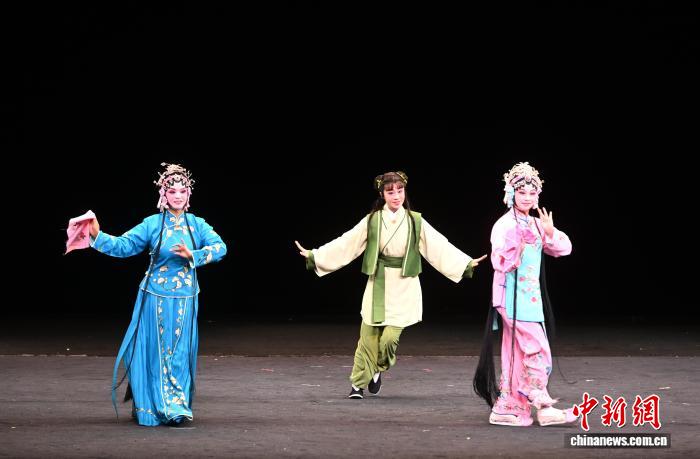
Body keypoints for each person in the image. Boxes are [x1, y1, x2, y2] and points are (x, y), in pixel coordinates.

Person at [295, 171, 486, 399]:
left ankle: (377, 368)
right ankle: (357, 385)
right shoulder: (373, 220)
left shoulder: (415, 220)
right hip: (378, 280)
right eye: (390, 192)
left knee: (389, 339)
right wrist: (315, 255)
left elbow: (438, 245)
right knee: (368, 336)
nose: (396, 196)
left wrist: (465, 263)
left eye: (400, 191)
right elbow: (347, 242)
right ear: (382, 195)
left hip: (404, 284)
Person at [86, 163, 227, 426]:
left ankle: (176, 407)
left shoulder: (197, 225)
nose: (178, 196)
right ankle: (153, 406)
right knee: (156, 352)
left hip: (186, 298)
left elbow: (220, 248)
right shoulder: (152, 224)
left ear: (189, 194)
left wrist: (194, 255)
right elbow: (124, 245)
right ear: (163, 194)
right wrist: (97, 234)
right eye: (172, 191)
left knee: (180, 352)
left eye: (182, 191)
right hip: (154, 296)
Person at [473, 162, 577, 426]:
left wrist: (549, 232)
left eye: (532, 193)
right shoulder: (504, 225)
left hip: (530, 299)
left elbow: (564, 249)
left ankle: (508, 407)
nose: (527, 197)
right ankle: (543, 405)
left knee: (517, 354)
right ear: (511, 194)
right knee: (537, 349)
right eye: (522, 192)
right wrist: (517, 247)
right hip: (511, 297)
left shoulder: (537, 223)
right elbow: (499, 262)